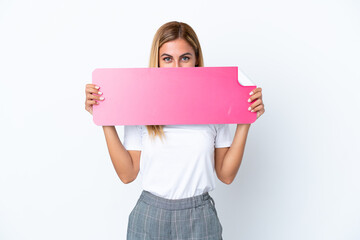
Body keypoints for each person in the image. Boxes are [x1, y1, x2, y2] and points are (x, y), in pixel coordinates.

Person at [84, 21, 265, 240]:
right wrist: (106, 118)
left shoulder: (216, 104)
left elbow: (226, 175)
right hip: (150, 215)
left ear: (196, 60)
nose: (177, 67)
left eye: (185, 58)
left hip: (199, 217)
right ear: (158, 62)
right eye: (167, 59)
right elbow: (127, 174)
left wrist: (245, 119)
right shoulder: (140, 105)